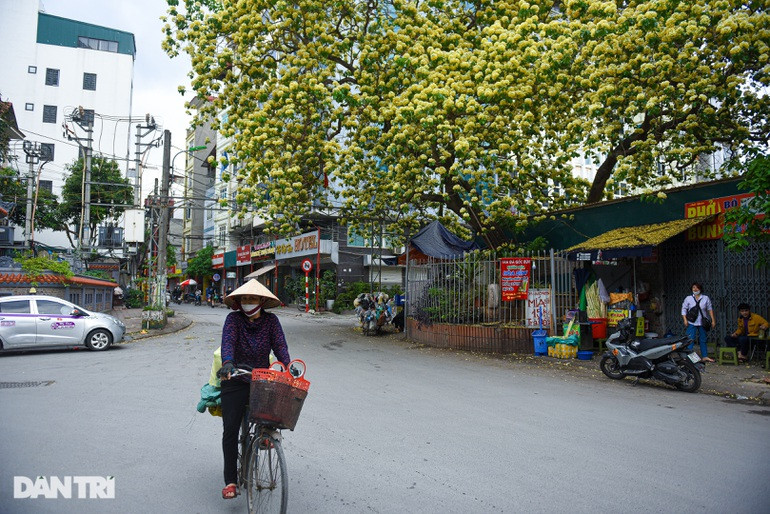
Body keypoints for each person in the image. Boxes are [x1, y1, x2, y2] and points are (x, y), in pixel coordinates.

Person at [216, 279, 289, 500]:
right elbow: (228, 343)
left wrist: (288, 366)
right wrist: (227, 362)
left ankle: (264, 436)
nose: (248, 302)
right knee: (230, 430)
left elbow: (280, 347)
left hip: (261, 380)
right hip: (235, 377)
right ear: (239, 302)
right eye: (245, 299)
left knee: (271, 416)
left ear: (262, 301)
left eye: (252, 298)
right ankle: (231, 480)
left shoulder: (271, 322)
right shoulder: (233, 320)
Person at [681, 282, 717, 362]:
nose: (695, 289)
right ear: (691, 289)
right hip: (692, 322)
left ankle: (704, 356)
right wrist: (685, 320)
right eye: (694, 287)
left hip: (702, 322)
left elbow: (710, 309)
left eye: (697, 287)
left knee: (703, 339)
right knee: (690, 339)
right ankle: (688, 357)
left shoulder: (705, 298)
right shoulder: (688, 298)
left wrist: (713, 320)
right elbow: (684, 309)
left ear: (700, 289)